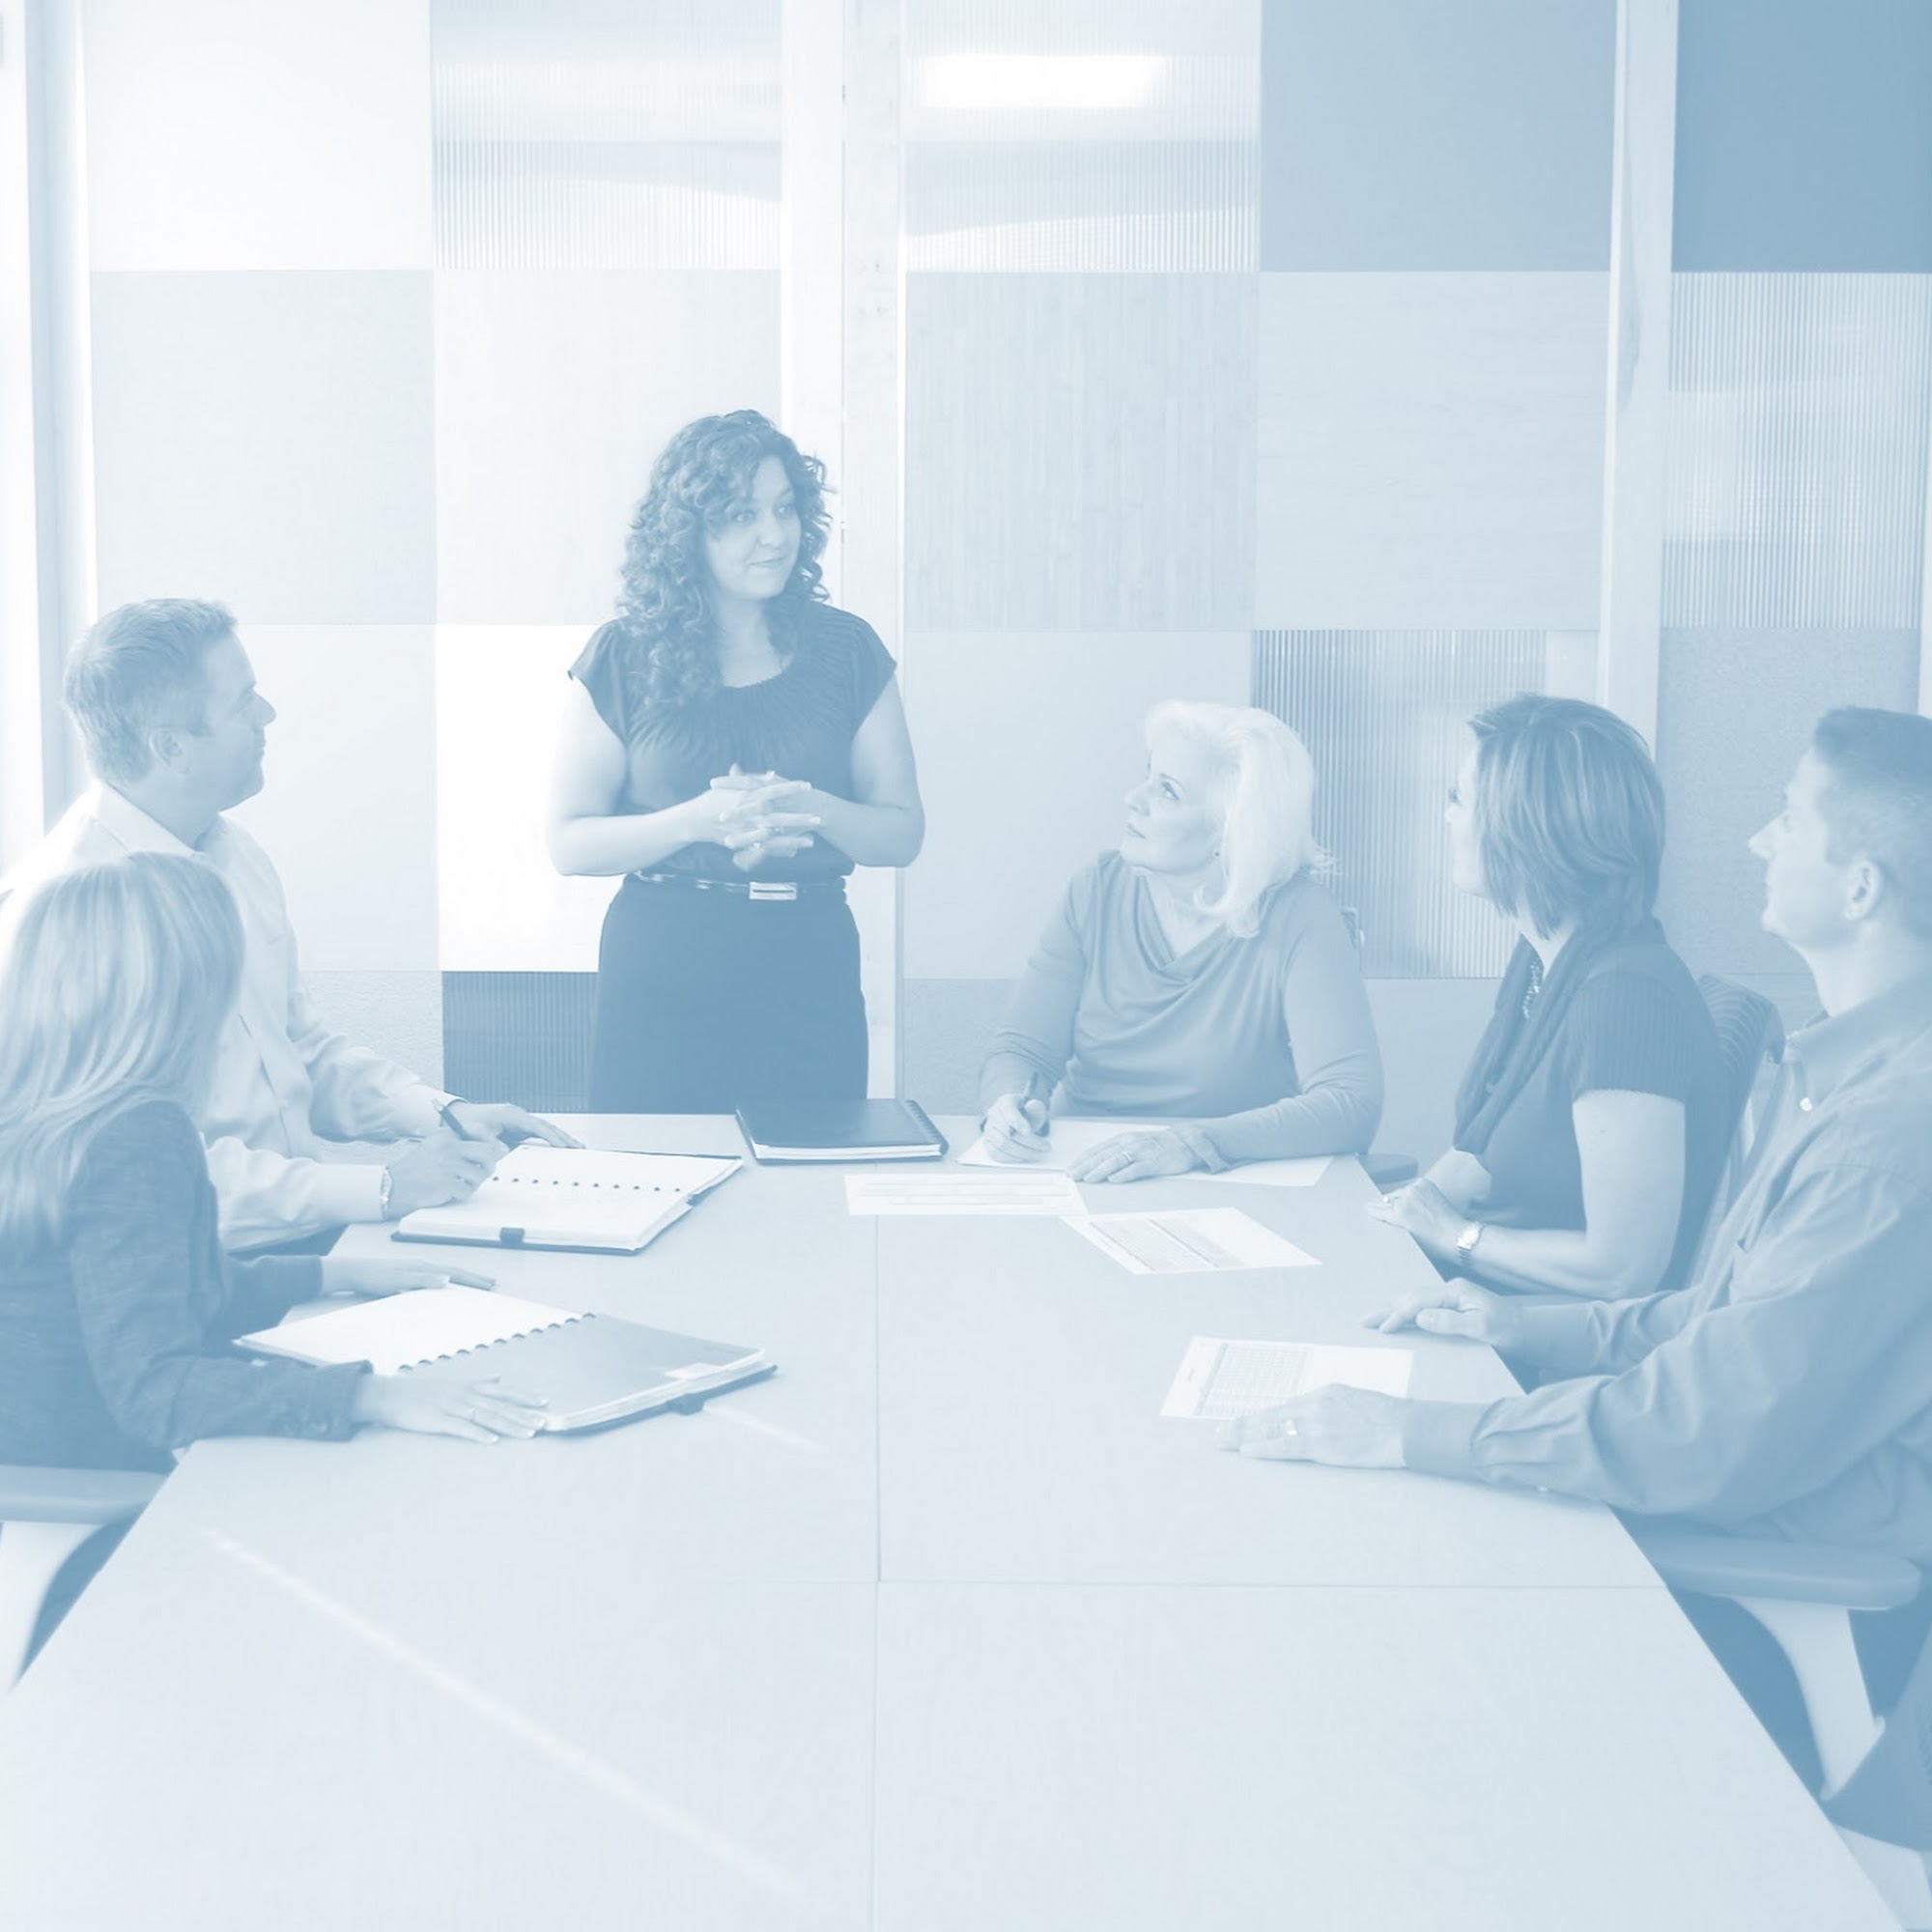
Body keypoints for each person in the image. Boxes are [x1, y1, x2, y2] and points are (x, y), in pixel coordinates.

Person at [1221, 708, 1932, 1784]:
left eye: (1788, 819)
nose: (1757, 839)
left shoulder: (1883, 1137)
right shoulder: (1837, 1075)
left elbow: (1699, 1427)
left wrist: (1413, 1430)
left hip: (1763, 1575)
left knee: (1350, 1601)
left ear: (1862, 887)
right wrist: (1521, 1324)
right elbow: (1714, 1320)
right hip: (1723, 1504)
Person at [0, 598, 575, 1253]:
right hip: (185, 1270)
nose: (267, 715)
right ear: (171, 747)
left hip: (297, 1242)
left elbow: (297, 1053)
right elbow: (130, 1172)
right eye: (243, 702)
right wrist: (384, 1187)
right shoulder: (64, 913)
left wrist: (444, 1114)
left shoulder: (236, 854)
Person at [0, 852, 549, 1477]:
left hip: (38, 1462)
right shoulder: (134, 1134)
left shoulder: (45, 1111)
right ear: (179, 997)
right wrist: (375, 1397)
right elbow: (158, 1394)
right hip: (97, 1489)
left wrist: (334, 1273)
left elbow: (181, 1290)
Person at [551, 409, 923, 1111]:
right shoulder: (622, 654)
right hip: (661, 965)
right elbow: (569, 844)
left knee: (811, 1170)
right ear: (688, 532)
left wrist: (807, 808)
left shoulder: (849, 649)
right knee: (655, 1167)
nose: (775, 535)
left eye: (786, 509)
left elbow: (902, 833)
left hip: (809, 963)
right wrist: (699, 820)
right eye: (743, 515)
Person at [1367, 695, 1727, 1299]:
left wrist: (1454, 1235)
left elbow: (1622, 1268)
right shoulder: (1547, 960)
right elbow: (1479, 1154)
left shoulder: (1626, 1002)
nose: (1446, 817)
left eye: (1459, 798)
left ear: (1526, 827)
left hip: (1533, 1325)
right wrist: (1389, 1225)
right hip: (1480, 1290)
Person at [978, 699, 1381, 1181]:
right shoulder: (1097, 889)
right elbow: (1025, 1050)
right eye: (1148, 776)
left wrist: (1192, 1144)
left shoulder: (1300, 913)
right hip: (1085, 1172)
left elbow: (1350, 1104)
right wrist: (1008, 1104)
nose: (1133, 798)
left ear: (1231, 830)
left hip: (1231, 1180)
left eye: (1167, 791)